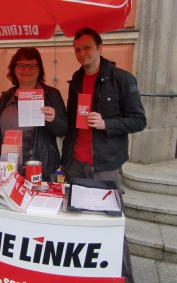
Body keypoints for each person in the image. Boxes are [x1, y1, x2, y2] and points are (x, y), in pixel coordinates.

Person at [62, 27, 146, 283]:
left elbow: (139, 120)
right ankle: (86, 274)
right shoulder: (75, 81)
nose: (81, 53)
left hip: (105, 166)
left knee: (112, 226)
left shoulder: (122, 79)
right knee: (77, 223)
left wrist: (107, 123)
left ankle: (124, 278)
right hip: (76, 163)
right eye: (77, 49)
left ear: (100, 48)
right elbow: (71, 121)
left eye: (86, 47)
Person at [0, 47, 68, 182]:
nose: (26, 70)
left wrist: (53, 119)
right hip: (9, 167)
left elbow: (64, 129)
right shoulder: (7, 96)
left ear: (39, 69)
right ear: (14, 69)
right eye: (21, 65)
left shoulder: (52, 95)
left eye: (31, 66)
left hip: (40, 166)